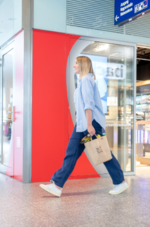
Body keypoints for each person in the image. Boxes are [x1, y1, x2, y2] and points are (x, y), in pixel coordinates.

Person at [40, 56, 128, 197]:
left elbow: (89, 104)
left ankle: (120, 181)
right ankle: (57, 184)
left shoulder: (87, 79)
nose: (74, 66)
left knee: (102, 152)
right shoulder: (83, 81)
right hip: (82, 126)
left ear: (82, 65)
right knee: (73, 153)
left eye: (76, 63)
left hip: (90, 125)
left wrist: (89, 125)